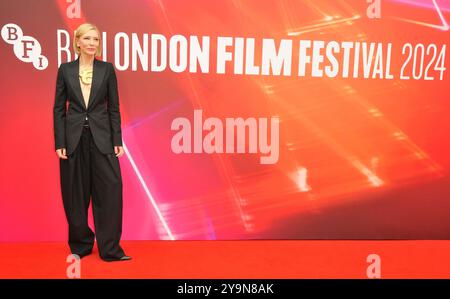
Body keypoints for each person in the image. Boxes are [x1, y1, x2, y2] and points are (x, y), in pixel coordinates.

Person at [53, 23, 131, 262]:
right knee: (74, 194)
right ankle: (81, 244)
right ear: (77, 42)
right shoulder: (65, 70)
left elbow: (114, 109)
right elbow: (58, 109)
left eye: (95, 39)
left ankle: (110, 249)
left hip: (102, 138)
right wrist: (60, 141)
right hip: (73, 138)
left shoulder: (107, 70)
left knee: (109, 192)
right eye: (87, 39)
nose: (91, 43)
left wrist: (117, 139)